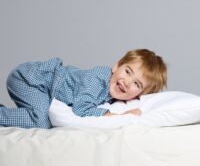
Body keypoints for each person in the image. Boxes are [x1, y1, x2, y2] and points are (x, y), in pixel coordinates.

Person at [0, 49, 167, 129]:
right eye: (127, 71)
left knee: (40, 117)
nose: (127, 82)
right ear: (116, 66)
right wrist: (117, 116)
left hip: (42, 88)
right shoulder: (97, 79)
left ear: (140, 94)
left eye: (137, 84)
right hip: (31, 78)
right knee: (42, 121)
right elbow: (82, 108)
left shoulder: (115, 95)